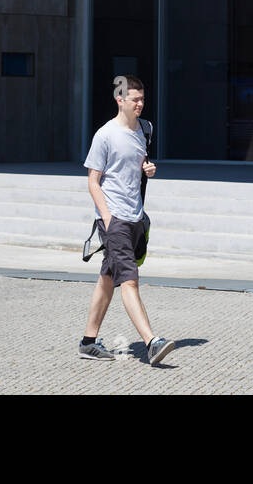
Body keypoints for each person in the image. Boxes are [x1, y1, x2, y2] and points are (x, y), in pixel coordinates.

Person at [78, 75, 176, 366]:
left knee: (108, 278)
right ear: (119, 100)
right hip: (115, 219)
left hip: (135, 216)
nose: (141, 104)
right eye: (135, 99)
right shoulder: (105, 135)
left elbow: (135, 166)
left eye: (143, 99)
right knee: (130, 281)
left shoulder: (145, 129)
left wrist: (147, 169)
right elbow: (93, 182)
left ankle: (88, 342)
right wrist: (107, 219)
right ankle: (152, 342)